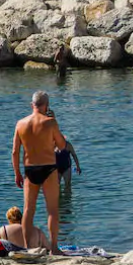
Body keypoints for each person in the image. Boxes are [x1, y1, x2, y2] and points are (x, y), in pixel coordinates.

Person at [12, 91, 66, 254]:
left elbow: (15, 151)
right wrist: (54, 122)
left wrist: (17, 173)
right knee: (52, 210)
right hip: (48, 168)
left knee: (28, 209)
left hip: (30, 169)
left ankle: (28, 248)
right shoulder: (50, 123)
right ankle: (54, 248)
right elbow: (62, 146)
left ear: (32, 105)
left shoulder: (20, 123)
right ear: (46, 106)